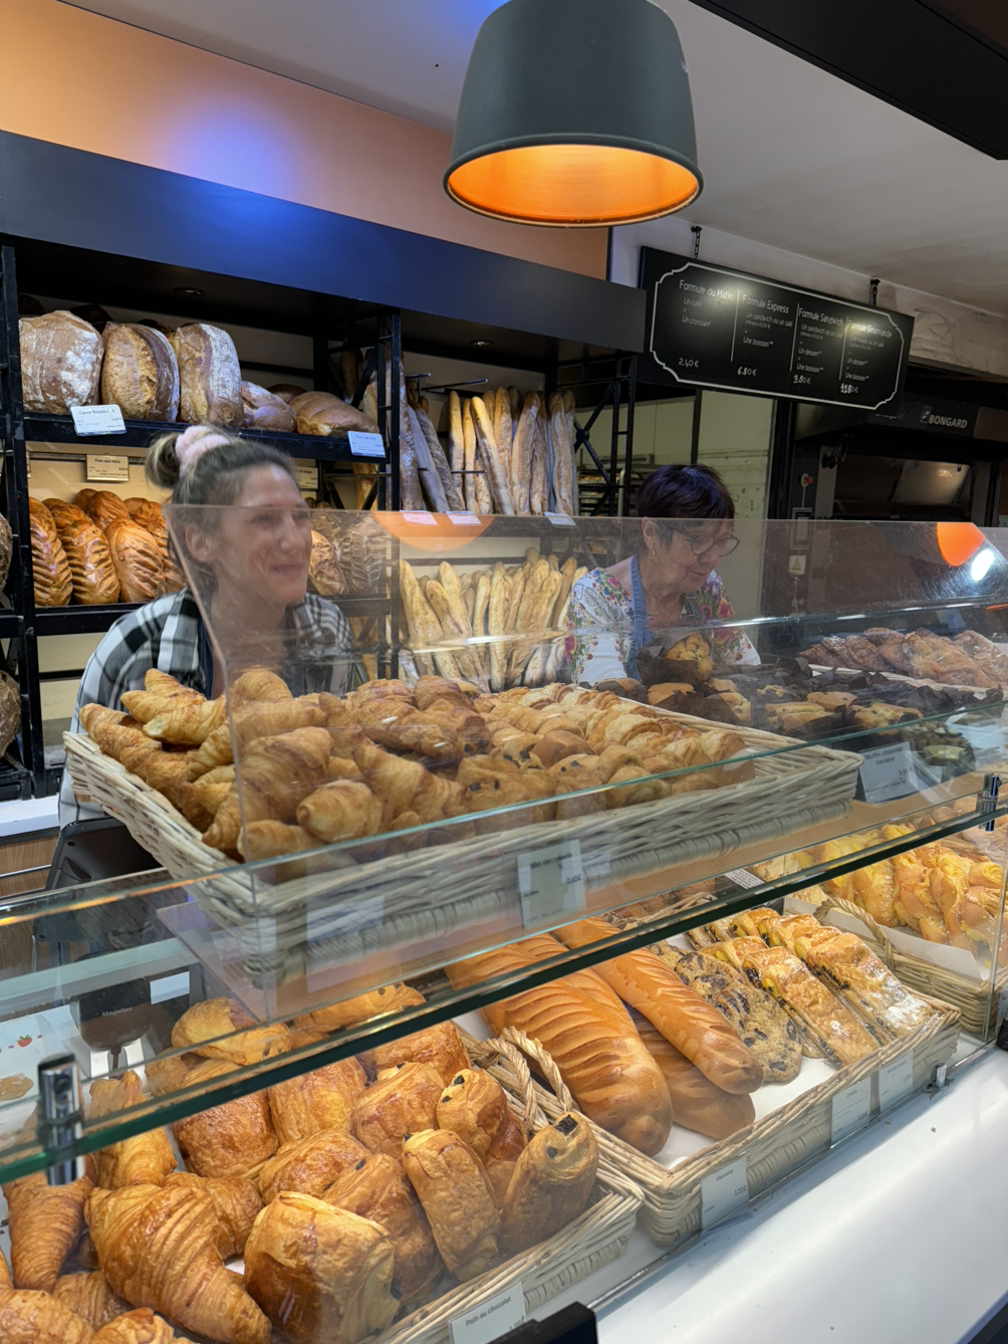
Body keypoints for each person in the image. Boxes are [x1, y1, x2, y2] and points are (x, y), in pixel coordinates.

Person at [59, 424, 353, 824]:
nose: (295, 540)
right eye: (264, 520)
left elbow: (335, 768)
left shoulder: (327, 630)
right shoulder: (136, 645)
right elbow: (84, 810)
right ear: (200, 542)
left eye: (300, 517)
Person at [564, 463, 758, 683]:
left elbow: (748, 666)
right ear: (651, 533)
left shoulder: (708, 588)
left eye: (721, 541)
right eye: (699, 540)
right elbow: (606, 694)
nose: (713, 559)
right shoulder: (596, 595)